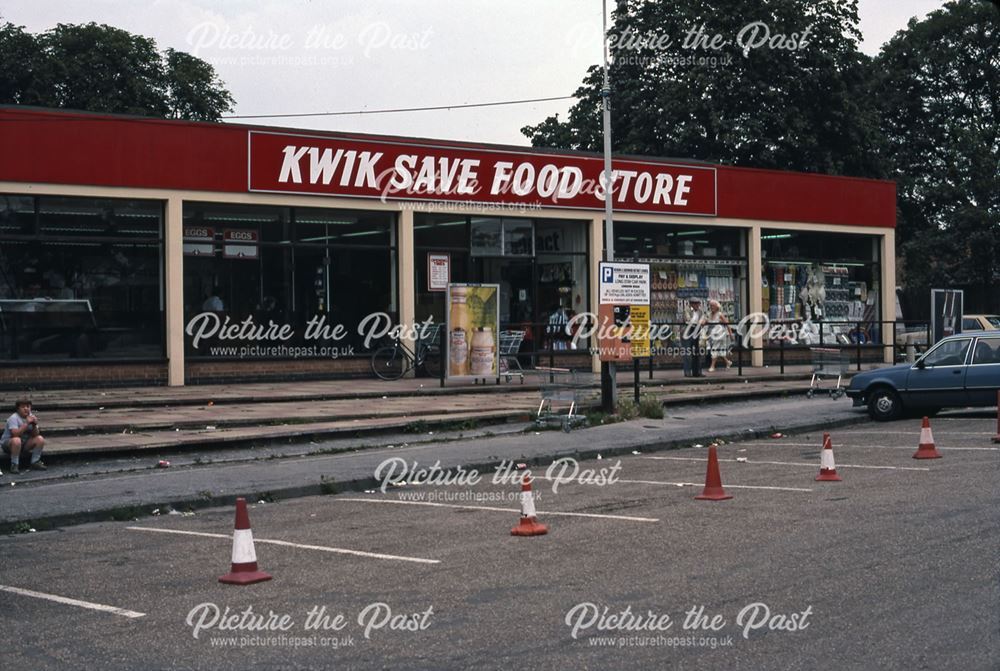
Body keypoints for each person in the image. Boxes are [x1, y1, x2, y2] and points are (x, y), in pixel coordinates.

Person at [2, 399, 46, 474]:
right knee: (17, 440)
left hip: (24, 444)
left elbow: (35, 434)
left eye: (28, 406)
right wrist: (26, 424)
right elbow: (15, 434)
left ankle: (35, 461)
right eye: (23, 407)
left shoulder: (31, 416)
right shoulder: (13, 418)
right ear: (18, 409)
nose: (26, 409)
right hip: (9, 444)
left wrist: (34, 425)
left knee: (40, 439)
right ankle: (14, 464)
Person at [701, 299, 734, 372]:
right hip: (712, 335)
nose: (711, 307)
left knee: (714, 349)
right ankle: (727, 362)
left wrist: (731, 334)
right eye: (710, 306)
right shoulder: (709, 314)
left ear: (717, 307)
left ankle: (712, 366)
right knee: (720, 351)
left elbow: (727, 324)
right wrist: (701, 322)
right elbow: (704, 322)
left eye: (713, 306)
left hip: (719, 335)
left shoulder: (720, 314)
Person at [681, 298, 704, 377]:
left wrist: (701, 322)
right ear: (691, 304)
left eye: (698, 303)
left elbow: (703, 319)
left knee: (697, 352)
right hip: (687, 332)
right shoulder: (686, 310)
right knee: (687, 353)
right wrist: (699, 322)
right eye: (696, 304)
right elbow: (688, 320)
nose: (698, 305)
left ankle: (697, 372)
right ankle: (687, 372)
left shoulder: (700, 311)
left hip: (696, 331)